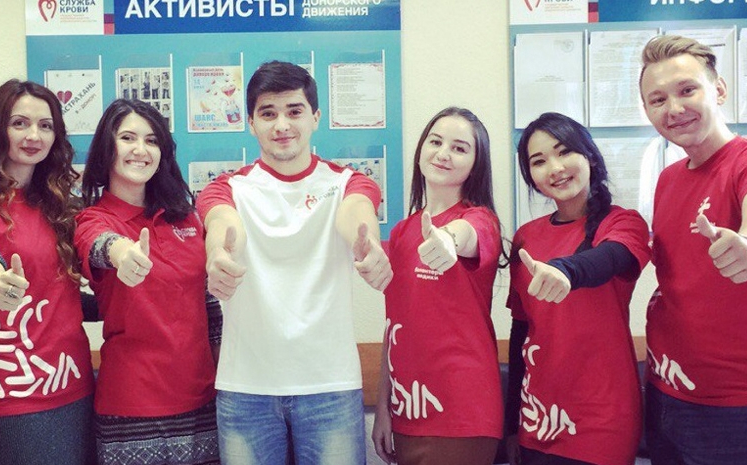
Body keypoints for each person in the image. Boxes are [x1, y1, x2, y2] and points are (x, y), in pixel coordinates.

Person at [197, 60, 392, 464]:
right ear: (251, 123)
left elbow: (356, 213)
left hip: (330, 387)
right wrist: (218, 254)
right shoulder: (228, 187)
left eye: (294, 111)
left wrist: (368, 246)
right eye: (268, 114)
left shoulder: (346, 183)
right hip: (246, 389)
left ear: (315, 117)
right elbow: (222, 223)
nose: (282, 125)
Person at [0, 79, 95, 465]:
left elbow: (60, 296)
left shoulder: (59, 205)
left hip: (75, 384)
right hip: (12, 395)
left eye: (45, 125)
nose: (33, 135)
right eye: (20, 123)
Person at [75, 99, 222, 465]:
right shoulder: (92, 219)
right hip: (131, 405)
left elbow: (208, 306)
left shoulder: (187, 218)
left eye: (152, 140)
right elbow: (100, 244)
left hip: (202, 400)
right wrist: (124, 255)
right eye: (128, 138)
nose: (141, 149)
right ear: (107, 148)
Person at [638, 35, 747, 464]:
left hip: (732, 405)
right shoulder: (668, 179)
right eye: (657, 100)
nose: (674, 109)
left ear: (719, 89)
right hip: (663, 386)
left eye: (687, 90)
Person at [505, 112, 650, 465]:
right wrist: (511, 423)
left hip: (602, 415)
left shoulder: (622, 221)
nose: (555, 168)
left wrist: (565, 271)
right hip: (537, 414)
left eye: (564, 151)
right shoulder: (526, 237)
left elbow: (610, 257)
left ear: (590, 157)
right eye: (539, 161)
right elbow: (521, 332)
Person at [371, 107, 505, 465]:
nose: (444, 153)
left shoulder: (481, 220)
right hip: (407, 409)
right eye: (436, 142)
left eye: (459, 148)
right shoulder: (401, 232)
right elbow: (394, 326)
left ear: (476, 164)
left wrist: (447, 239)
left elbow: (466, 235)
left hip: (462, 413)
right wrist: (384, 406)